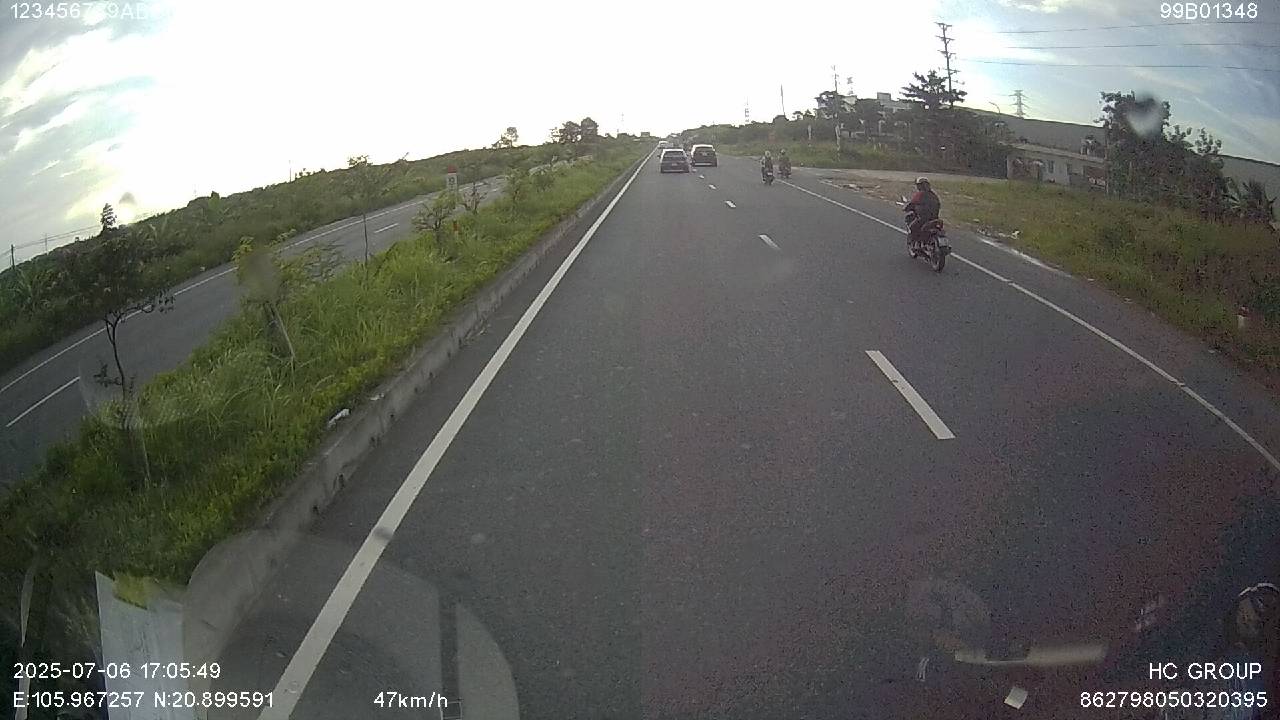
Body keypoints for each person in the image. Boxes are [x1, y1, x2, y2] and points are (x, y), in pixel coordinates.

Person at [903, 176, 941, 248]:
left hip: (923, 218)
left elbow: (912, 203)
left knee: (912, 227)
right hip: (934, 218)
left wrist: (906, 208)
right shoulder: (933, 195)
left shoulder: (920, 194)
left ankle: (916, 244)